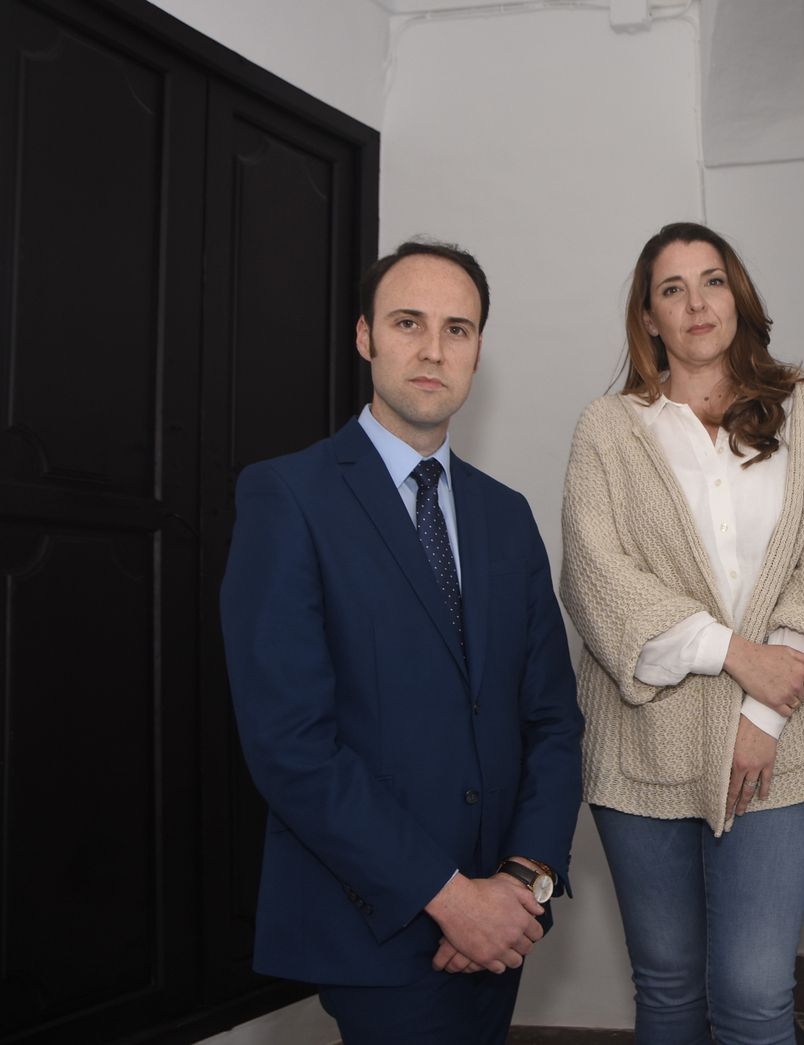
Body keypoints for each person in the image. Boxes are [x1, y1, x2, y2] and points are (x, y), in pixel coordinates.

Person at [220, 239, 583, 1045]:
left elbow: (553, 719)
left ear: (479, 349)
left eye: (458, 329)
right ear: (365, 336)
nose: (432, 349)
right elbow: (291, 743)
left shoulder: (506, 514)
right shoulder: (288, 496)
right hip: (373, 924)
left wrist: (523, 881)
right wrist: (453, 898)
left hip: (503, 925)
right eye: (409, 322)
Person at [560, 222, 804, 1045]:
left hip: (784, 742)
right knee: (669, 990)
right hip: (642, 743)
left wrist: (761, 715)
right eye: (672, 288)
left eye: (712, 280)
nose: (696, 302)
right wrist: (734, 655)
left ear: (738, 294)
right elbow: (594, 578)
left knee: (756, 998)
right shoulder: (609, 429)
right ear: (648, 317)